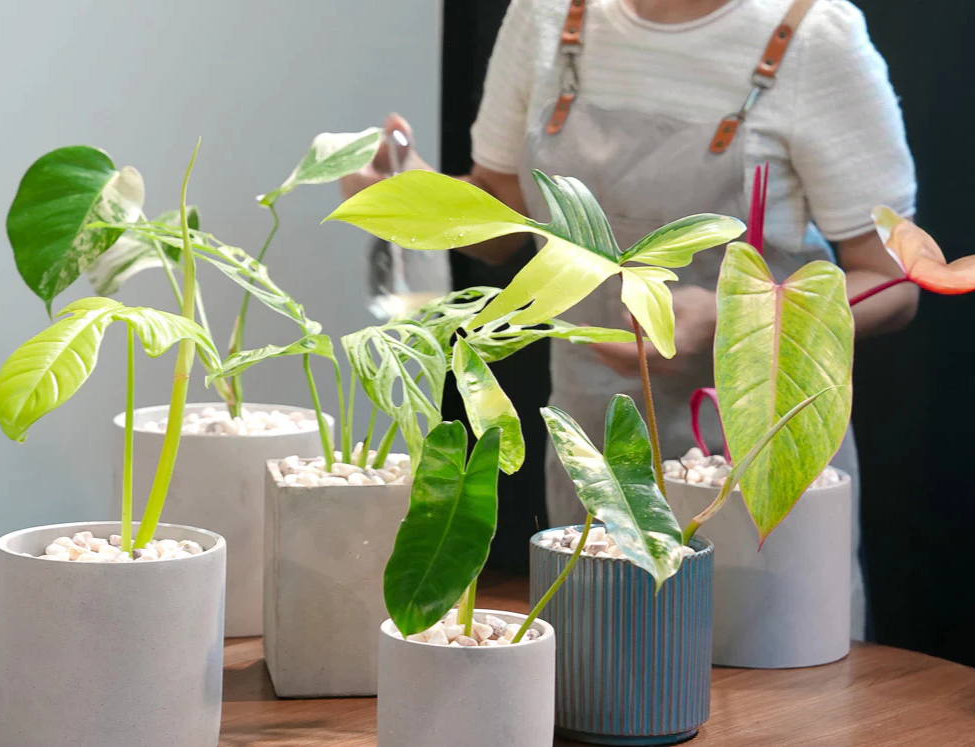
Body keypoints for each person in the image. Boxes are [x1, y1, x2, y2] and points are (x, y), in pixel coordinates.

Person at [341, 0, 917, 638]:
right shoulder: (544, 15)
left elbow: (892, 280)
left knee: (769, 675)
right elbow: (503, 219)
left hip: (756, 446)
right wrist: (410, 192)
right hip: (592, 443)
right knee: (602, 666)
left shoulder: (814, 34)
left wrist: (736, 320)